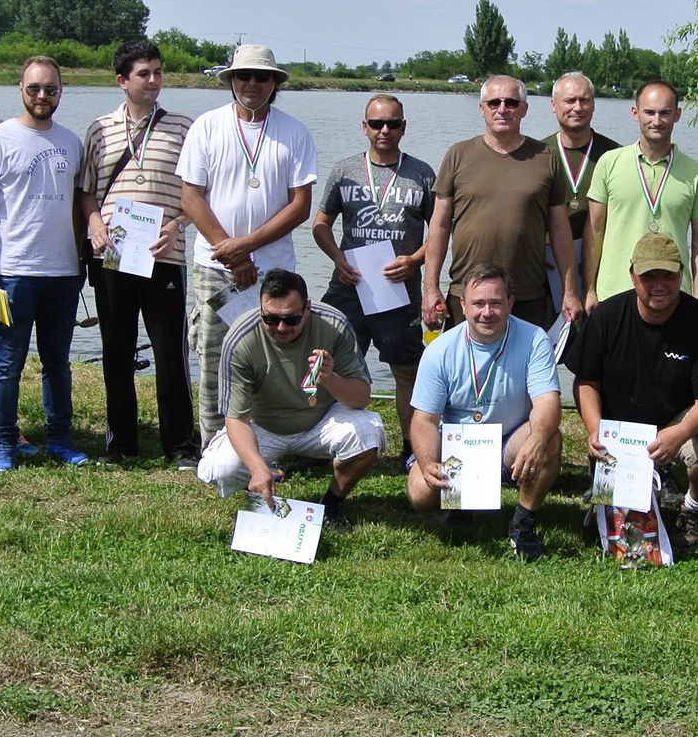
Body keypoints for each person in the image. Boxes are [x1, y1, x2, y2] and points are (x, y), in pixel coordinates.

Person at [565, 232, 698, 555]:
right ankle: (609, 504)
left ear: (681, 274)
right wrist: (594, 429)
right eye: (649, 276)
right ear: (633, 275)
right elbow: (586, 382)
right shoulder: (606, 318)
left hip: (676, 422)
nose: (659, 285)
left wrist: (678, 433)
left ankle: (692, 510)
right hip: (620, 432)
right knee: (618, 529)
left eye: (668, 276)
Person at [180, 44, 318, 439]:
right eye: (244, 75)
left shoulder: (295, 132)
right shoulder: (206, 126)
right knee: (212, 358)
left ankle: (267, 443)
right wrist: (232, 252)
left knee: (271, 358)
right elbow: (191, 197)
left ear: (274, 83)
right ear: (231, 80)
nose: (252, 83)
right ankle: (213, 447)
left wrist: (246, 246)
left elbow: (300, 206)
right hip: (214, 267)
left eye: (262, 77)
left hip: (273, 272)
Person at [78, 37, 200, 467]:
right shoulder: (99, 129)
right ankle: (121, 444)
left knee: (170, 353)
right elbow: (86, 192)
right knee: (117, 350)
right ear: (122, 81)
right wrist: (95, 226)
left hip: (164, 254)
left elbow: (198, 194)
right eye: (143, 74)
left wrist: (177, 225)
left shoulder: (184, 128)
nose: (153, 80)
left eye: (158, 72)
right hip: (113, 255)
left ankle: (180, 446)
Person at [0, 56, 88, 471]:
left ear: (60, 91)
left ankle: (60, 440)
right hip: (13, 271)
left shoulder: (71, 142)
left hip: (63, 273)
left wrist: (81, 258)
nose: (42, 96)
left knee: (58, 363)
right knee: (6, 363)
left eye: (50, 89)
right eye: (34, 88)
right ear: (20, 88)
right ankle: (3, 443)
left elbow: (77, 206)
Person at [196, 269, 385, 532]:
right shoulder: (240, 338)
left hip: (320, 419)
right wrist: (257, 467)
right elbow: (236, 418)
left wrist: (331, 379)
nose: (281, 328)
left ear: (307, 309)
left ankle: (332, 503)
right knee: (220, 470)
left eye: (291, 319)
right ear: (260, 308)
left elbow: (361, 398)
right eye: (271, 319)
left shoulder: (334, 324)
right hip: (262, 425)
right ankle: (261, 483)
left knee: (368, 432)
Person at [406, 264, 563, 562]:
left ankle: (523, 522)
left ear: (510, 303)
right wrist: (427, 464)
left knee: (549, 438)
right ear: (463, 305)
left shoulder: (535, 339)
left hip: (508, 442)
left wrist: (537, 437)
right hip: (455, 446)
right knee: (420, 494)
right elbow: (424, 420)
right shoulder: (439, 350)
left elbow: (547, 401)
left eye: (496, 303)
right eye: (478, 303)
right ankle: (460, 503)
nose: (487, 312)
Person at [311, 93, 436, 459]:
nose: (385, 130)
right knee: (327, 366)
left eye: (393, 124)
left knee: (406, 372)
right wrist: (337, 258)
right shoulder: (345, 170)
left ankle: (412, 449)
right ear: (364, 127)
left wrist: (414, 261)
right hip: (348, 288)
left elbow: (441, 231)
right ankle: (318, 443)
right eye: (377, 123)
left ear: (403, 127)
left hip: (399, 292)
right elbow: (320, 224)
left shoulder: (422, 174)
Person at [421, 76, 584, 331]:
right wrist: (430, 288)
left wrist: (569, 290)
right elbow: (439, 226)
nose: (502, 109)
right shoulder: (458, 155)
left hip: (526, 294)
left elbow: (560, 229)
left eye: (511, 102)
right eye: (494, 102)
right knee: (463, 359)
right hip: (467, 294)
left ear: (524, 109)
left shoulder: (547, 157)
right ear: (482, 108)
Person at [583, 80, 698, 307]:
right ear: (635, 113)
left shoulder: (696, 173)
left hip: (673, 294)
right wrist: (589, 289)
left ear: (677, 115)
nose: (657, 120)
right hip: (614, 292)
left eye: (665, 113)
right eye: (649, 112)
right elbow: (594, 230)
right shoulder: (609, 163)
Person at [539, 71, 619, 308]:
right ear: (553, 105)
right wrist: (533, 254)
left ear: (593, 105)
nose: (577, 107)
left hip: (601, 268)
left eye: (584, 100)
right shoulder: (536, 155)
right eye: (569, 100)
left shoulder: (615, 155)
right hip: (546, 270)